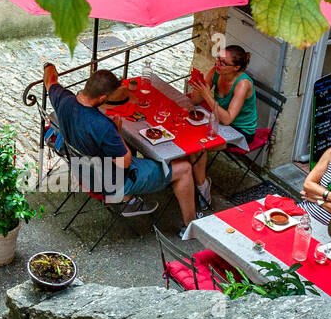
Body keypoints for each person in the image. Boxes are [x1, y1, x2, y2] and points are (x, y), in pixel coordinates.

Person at [43, 62, 198, 230]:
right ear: (102, 98)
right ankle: (192, 227)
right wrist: (117, 133)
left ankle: (130, 200)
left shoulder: (63, 99)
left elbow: (50, 80)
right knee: (184, 168)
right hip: (112, 182)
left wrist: (48, 65)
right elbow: (124, 162)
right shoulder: (102, 125)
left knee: (132, 150)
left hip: (82, 170)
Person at [189, 44, 258, 208]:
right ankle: (194, 179)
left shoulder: (243, 84)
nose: (217, 64)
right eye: (218, 59)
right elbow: (195, 101)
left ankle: (202, 187)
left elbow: (228, 119)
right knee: (187, 137)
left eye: (223, 63)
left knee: (197, 147)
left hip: (239, 131)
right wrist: (199, 85)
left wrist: (206, 94)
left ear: (236, 67)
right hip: (217, 121)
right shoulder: (215, 72)